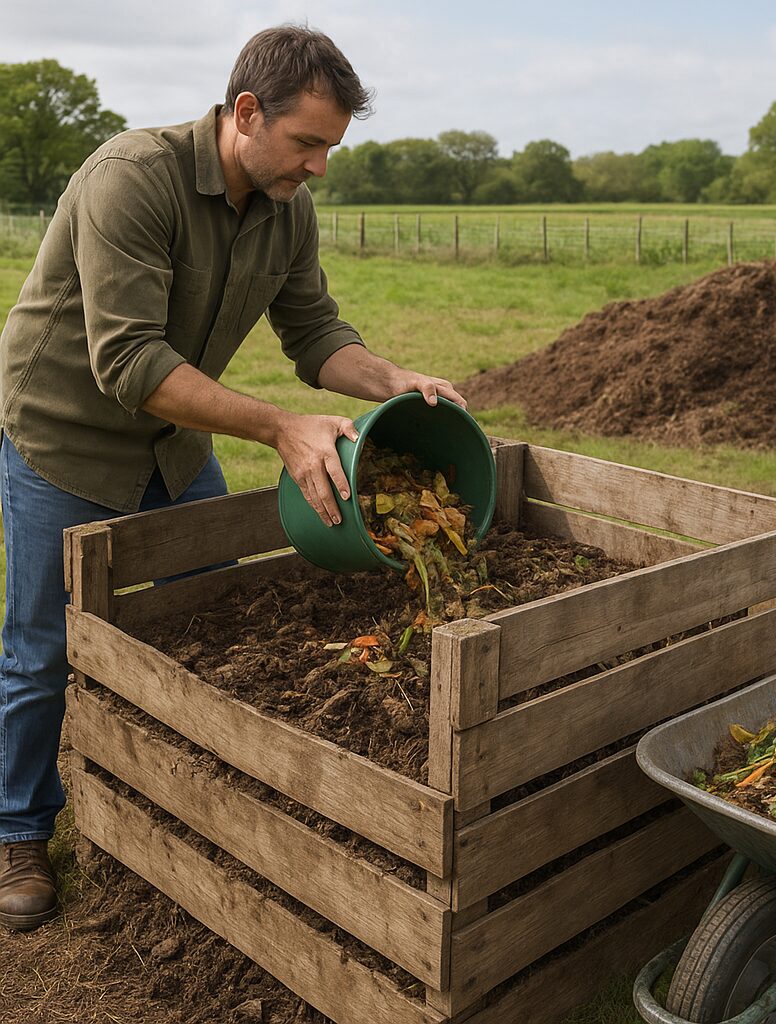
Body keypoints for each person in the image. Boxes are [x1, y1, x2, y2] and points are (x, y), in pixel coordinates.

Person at [0, 24, 465, 931]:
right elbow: (129, 362)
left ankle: (163, 802)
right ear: (246, 113)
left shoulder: (288, 209)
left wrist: (396, 381)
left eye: (330, 147)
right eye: (307, 143)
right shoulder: (133, 178)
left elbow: (316, 334)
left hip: (176, 446)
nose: (320, 167)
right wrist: (283, 431)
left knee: (203, 621)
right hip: (66, 440)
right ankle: (19, 833)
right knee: (39, 649)